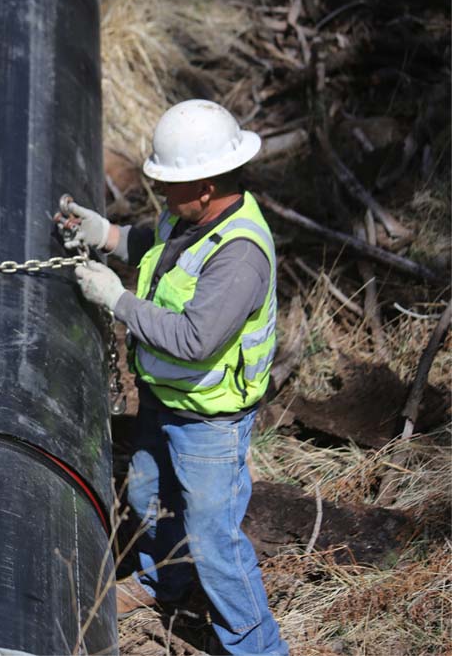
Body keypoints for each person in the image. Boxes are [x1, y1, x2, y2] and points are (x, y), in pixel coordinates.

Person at [58, 100, 288, 654]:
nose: (161, 194)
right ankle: (162, 579)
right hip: (167, 400)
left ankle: (258, 647)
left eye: (168, 185)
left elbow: (194, 339)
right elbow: (157, 249)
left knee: (214, 542)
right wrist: (105, 233)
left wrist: (117, 300)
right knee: (145, 490)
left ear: (205, 186)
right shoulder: (192, 217)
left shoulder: (240, 256)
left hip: (209, 421)